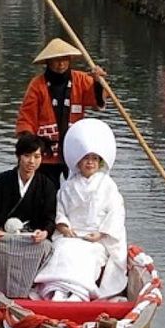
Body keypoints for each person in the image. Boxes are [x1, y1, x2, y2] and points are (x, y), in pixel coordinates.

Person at [33, 118, 127, 302]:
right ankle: (57, 290)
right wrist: (64, 226)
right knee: (62, 249)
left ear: (99, 162)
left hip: (95, 238)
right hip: (71, 234)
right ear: (78, 161)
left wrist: (100, 234)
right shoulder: (68, 186)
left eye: (94, 159)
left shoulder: (108, 185)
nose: (90, 163)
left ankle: (79, 293)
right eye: (86, 158)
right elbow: (59, 210)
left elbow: (116, 213)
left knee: (88, 255)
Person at [0, 133, 57, 298]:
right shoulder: (1, 181)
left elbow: (50, 217)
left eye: (37, 156)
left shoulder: (47, 186)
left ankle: (28, 290)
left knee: (46, 247)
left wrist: (44, 232)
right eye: (27, 156)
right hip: (2, 237)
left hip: (29, 239)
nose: (32, 161)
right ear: (18, 156)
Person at [16, 37, 107, 186]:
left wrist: (98, 82)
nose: (61, 64)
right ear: (48, 62)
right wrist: (29, 147)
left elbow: (98, 102)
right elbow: (27, 118)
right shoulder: (37, 85)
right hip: (46, 153)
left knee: (76, 191)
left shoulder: (81, 80)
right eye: (56, 60)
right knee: (46, 192)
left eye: (65, 59)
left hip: (73, 151)